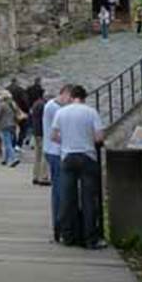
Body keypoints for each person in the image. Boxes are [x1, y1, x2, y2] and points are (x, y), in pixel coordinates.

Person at [51, 84, 106, 249]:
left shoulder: (61, 112)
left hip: (67, 157)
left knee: (68, 198)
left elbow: (54, 136)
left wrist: (67, 141)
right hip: (87, 156)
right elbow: (99, 137)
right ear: (84, 97)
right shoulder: (91, 112)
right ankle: (90, 238)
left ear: (72, 96)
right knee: (89, 199)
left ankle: (68, 235)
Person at [42, 85, 73, 241]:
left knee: (59, 190)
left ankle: (60, 226)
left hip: (52, 151)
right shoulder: (55, 108)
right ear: (65, 94)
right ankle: (60, 227)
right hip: (55, 152)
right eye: (70, 99)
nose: (71, 103)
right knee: (61, 191)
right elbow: (60, 131)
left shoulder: (53, 107)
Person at [0, 89, 20, 167]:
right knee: (8, 141)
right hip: (13, 125)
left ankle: (14, 158)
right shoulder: (13, 104)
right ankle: (5, 159)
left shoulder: (2, 105)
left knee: (7, 143)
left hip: (4, 125)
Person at [31, 89, 50, 186]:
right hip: (42, 132)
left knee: (37, 156)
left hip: (36, 132)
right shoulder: (44, 106)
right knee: (44, 155)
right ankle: (44, 176)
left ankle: (35, 175)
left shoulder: (35, 104)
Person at [8, 77, 32, 148]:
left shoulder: (6, 89)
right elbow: (25, 100)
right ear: (17, 82)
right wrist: (27, 110)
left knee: (12, 129)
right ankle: (19, 144)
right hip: (20, 112)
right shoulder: (20, 90)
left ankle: (13, 143)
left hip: (9, 112)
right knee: (23, 128)